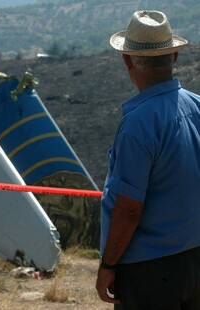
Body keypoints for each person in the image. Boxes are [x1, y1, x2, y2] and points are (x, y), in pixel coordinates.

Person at [95, 10, 200, 310]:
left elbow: (128, 210)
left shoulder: (137, 124)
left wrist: (108, 265)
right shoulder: (197, 107)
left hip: (149, 271)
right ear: (174, 57)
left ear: (127, 60)